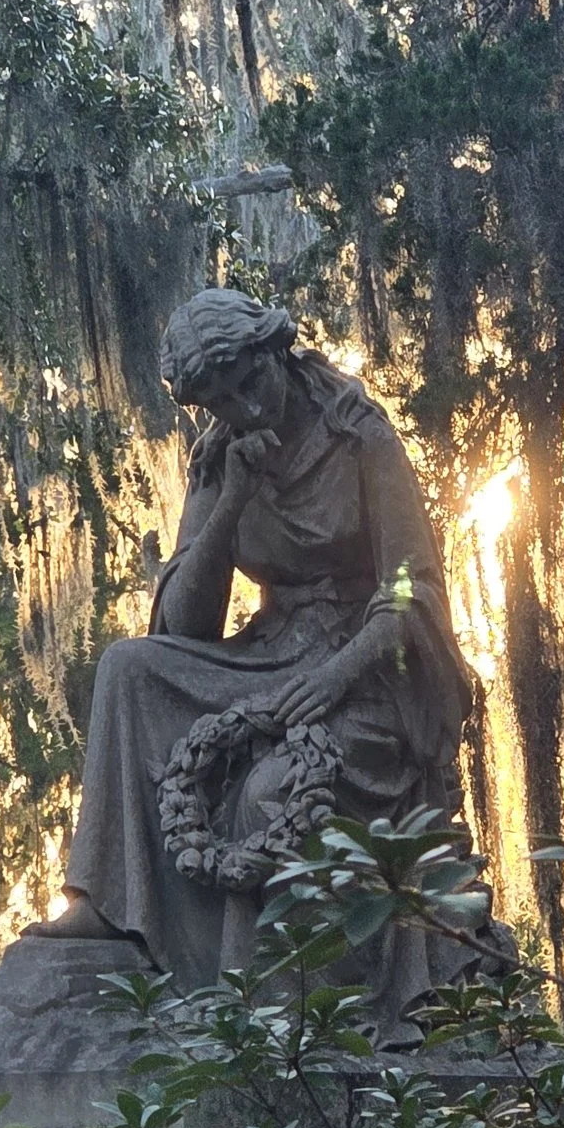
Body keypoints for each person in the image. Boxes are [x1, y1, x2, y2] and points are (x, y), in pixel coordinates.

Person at [39, 290, 477, 992]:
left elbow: (411, 591)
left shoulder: (359, 435)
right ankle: (105, 902)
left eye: (249, 382)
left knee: (268, 794)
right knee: (127, 668)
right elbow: (186, 625)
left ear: (276, 350)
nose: (244, 407)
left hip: (365, 670)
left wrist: (336, 677)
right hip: (270, 653)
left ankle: (271, 1005)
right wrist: (231, 500)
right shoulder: (221, 457)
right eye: (220, 400)